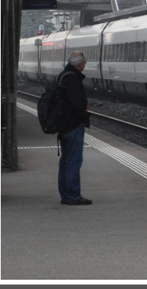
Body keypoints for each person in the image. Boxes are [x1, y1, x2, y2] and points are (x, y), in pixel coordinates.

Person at [56, 51, 92, 206]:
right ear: (80, 64)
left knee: (66, 160)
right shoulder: (72, 78)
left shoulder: (63, 76)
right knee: (73, 160)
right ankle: (72, 195)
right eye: (84, 63)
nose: (84, 66)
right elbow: (76, 103)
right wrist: (83, 113)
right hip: (73, 124)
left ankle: (66, 194)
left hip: (64, 124)